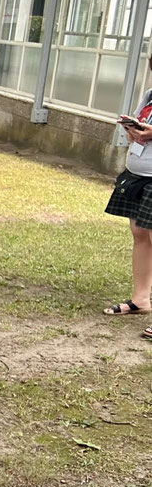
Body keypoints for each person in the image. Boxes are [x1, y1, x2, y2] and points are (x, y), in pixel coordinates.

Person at [103, 54, 152, 342]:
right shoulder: (149, 94)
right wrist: (134, 130)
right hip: (139, 175)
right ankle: (141, 300)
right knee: (139, 232)